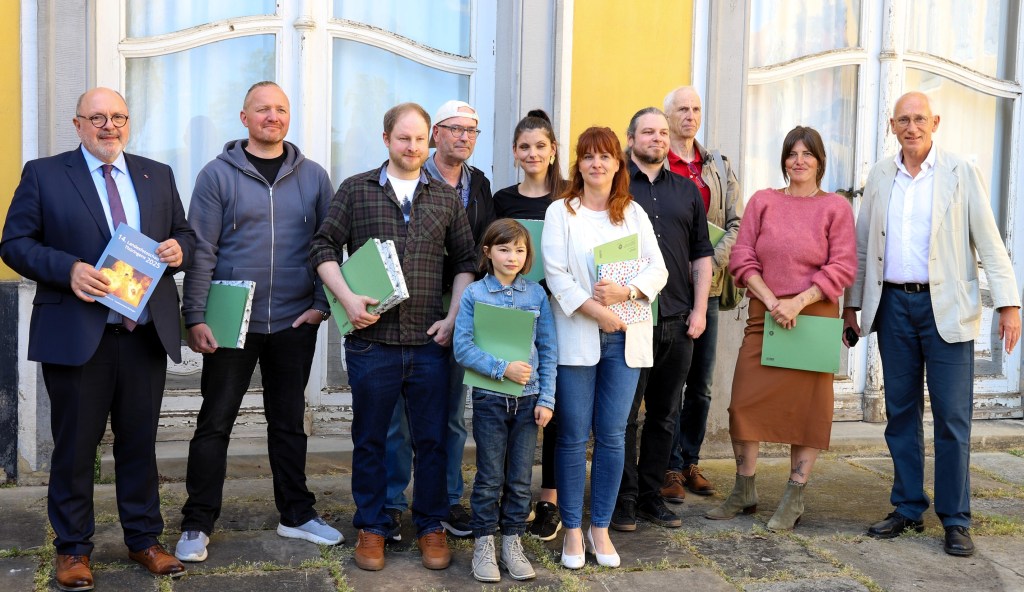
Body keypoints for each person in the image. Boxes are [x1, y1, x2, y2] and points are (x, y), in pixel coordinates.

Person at [0, 87, 195, 589]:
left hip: (142, 334)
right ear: (78, 123)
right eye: (99, 118)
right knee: (75, 447)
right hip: (78, 334)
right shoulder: (44, 174)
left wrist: (179, 250)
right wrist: (68, 270)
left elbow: (185, 235)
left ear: (129, 123)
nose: (110, 126)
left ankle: (144, 540)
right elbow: (15, 244)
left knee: (138, 444)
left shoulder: (157, 174)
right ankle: (72, 549)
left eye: (119, 117)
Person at [843, 92, 1021, 556]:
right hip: (894, 306)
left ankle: (956, 519)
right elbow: (863, 247)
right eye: (903, 119)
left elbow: (988, 238)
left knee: (952, 417)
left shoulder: (960, 172)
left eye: (919, 118)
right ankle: (906, 507)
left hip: (946, 309)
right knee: (900, 413)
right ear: (891, 125)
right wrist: (852, 305)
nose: (911, 127)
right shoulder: (881, 175)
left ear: (934, 122)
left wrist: (1009, 304)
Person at [176, 81, 341, 562]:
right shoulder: (216, 176)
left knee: (288, 422)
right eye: (263, 109)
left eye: (282, 109)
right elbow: (201, 248)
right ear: (244, 117)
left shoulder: (313, 177)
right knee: (215, 422)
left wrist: (320, 304)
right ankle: (197, 522)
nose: (273, 116)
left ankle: (297, 514)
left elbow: (327, 245)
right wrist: (195, 315)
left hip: (293, 321)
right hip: (231, 320)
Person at [310, 102, 477, 572]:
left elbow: (466, 260)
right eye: (404, 138)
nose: (413, 147)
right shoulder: (356, 190)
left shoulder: (445, 198)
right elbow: (322, 247)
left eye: (420, 139)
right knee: (370, 439)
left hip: (429, 341)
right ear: (387, 139)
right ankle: (372, 524)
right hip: (371, 343)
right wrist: (345, 297)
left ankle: (430, 525)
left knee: (431, 440)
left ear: (430, 142)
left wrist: (453, 318)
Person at [707, 125, 856, 531]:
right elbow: (742, 256)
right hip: (765, 314)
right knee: (744, 403)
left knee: (806, 410)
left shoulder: (835, 208)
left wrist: (798, 302)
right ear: (784, 159)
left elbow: (842, 265)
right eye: (792, 153)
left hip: (814, 316)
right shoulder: (764, 201)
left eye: (808, 154)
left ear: (820, 161)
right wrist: (774, 301)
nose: (799, 161)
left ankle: (794, 496)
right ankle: (744, 490)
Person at [543, 126, 668, 569]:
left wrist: (627, 293)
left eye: (606, 157)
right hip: (579, 337)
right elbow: (556, 276)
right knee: (574, 438)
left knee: (614, 437)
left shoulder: (632, 213)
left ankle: (601, 529)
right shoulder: (562, 212)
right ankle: (573, 530)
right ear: (578, 164)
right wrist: (599, 311)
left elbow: (659, 270)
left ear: (619, 164)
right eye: (588, 157)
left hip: (624, 339)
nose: (597, 164)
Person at [385, 99, 495, 539]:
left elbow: (480, 248)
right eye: (455, 129)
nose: (464, 137)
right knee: (398, 417)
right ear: (436, 135)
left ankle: (447, 499)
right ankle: (393, 501)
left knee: (451, 413)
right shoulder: (409, 175)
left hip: (461, 309)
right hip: (408, 307)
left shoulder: (480, 185)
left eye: (471, 130)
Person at [612, 108, 714, 532]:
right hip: (630, 317)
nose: (657, 138)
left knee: (664, 416)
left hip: (677, 317)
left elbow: (701, 254)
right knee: (624, 417)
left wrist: (701, 309)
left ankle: (652, 496)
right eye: (648, 132)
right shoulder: (615, 188)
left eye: (663, 132)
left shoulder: (687, 191)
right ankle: (623, 498)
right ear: (631, 137)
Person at [453, 219, 557, 582]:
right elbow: (462, 346)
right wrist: (501, 369)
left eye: (519, 250)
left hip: (529, 402)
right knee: (489, 477)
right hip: (490, 400)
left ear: (528, 255)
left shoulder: (536, 295)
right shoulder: (474, 294)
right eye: (503, 249)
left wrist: (547, 397)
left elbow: (548, 348)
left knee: (518, 477)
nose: (511, 256)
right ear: (487, 252)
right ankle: (484, 543)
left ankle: (512, 541)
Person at [661, 86, 743, 500]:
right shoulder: (656, 163)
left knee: (702, 383)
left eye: (696, 108)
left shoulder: (717, 166)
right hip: (665, 291)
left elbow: (737, 222)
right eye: (681, 109)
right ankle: (665, 467)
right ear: (667, 116)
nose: (689, 116)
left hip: (706, 290)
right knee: (667, 382)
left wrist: (708, 261)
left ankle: (687, 461)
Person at [492, 109, 566, 541]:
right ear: (515, 153)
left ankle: (549, 501)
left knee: (553, 407)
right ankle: (509, 496)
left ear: (553, 150)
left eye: (541, 145)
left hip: (563, 311)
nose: (533, 153)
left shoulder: (570, 197)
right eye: (525, 146)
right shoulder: (503, 200)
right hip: (515, 312)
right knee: (511, 405)